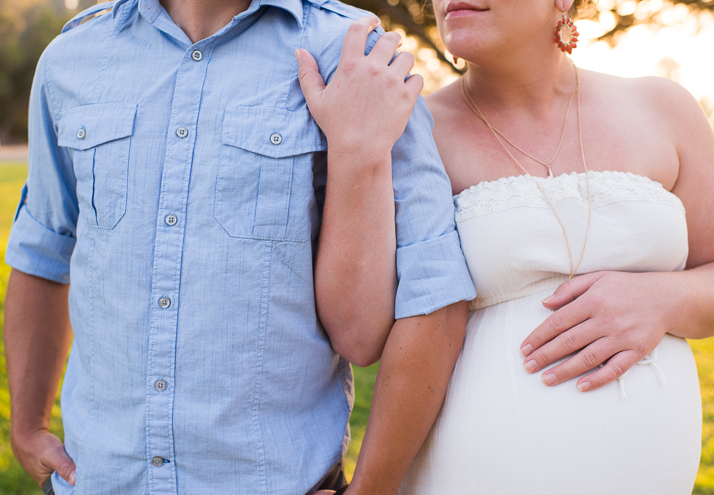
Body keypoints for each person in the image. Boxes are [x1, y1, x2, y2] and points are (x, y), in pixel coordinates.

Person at [3, 1, 476, 494]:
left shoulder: (352, 52)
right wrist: (27, 426)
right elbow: (43, 251)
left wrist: (372, 488)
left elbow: (434, 290)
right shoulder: (73, 57)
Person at [300, 0, 714, 493]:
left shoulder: (665, 108)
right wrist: (356, 149)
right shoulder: (411, 129)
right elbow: (360, 333)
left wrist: (665, 300)